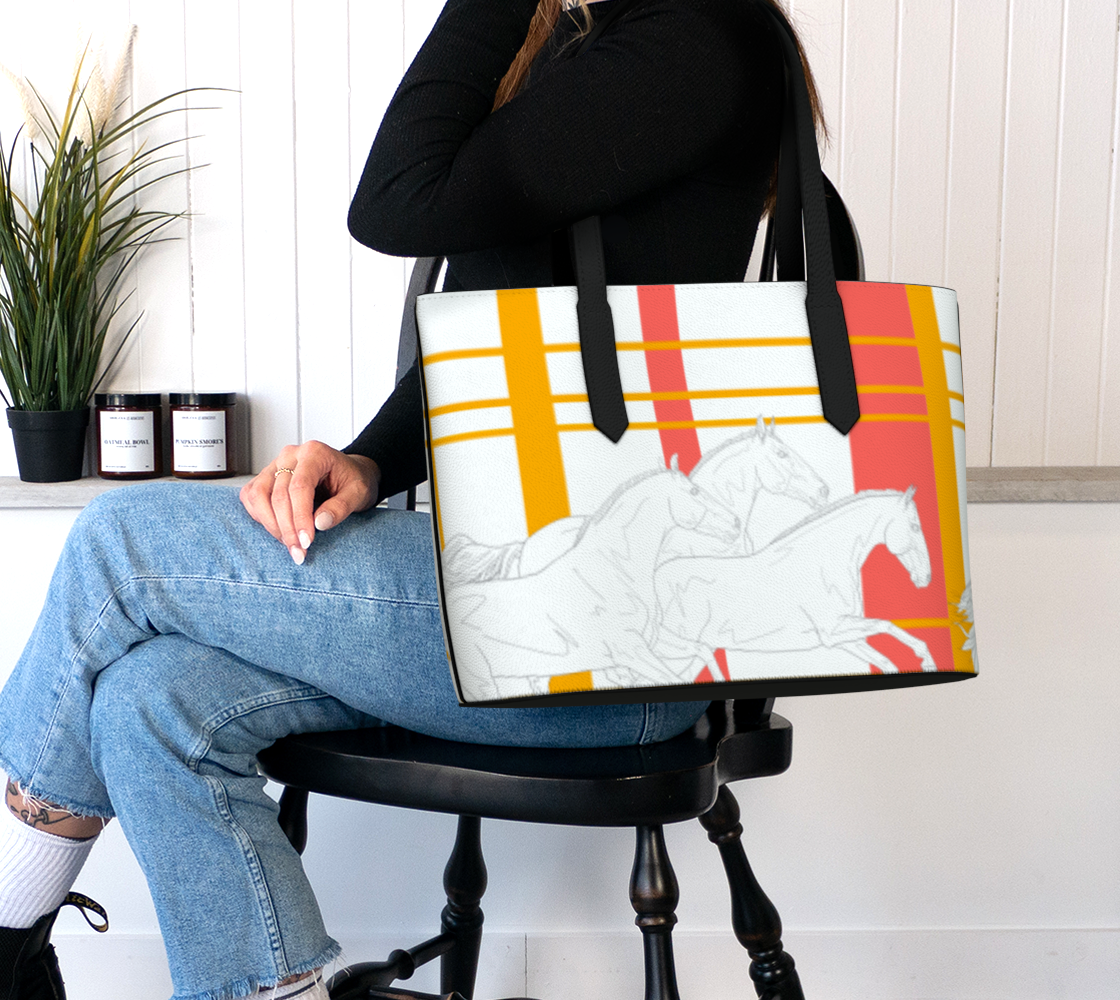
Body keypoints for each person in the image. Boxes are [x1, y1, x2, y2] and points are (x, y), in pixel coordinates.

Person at [0, 1, 828, 998]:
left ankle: (2, 936)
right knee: (149, 698)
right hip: (526, 590)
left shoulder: (695, 36)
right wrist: (368, 461)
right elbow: (509, 325)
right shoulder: (601, 42)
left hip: (615, 641)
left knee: (119, 541)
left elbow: (398, 198)